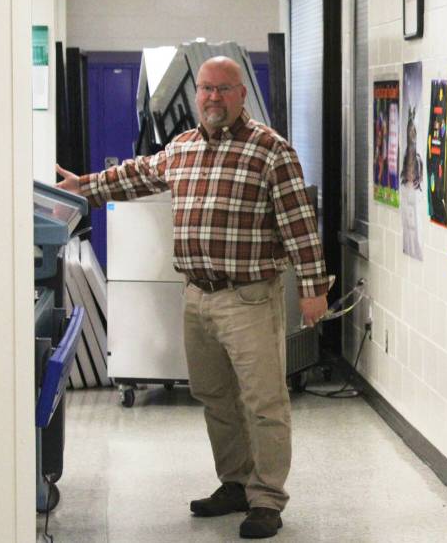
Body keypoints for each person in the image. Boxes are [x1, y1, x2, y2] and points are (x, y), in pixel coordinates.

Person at [56, 56, 329, 540]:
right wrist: (85, 188)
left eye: (224, 89)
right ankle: (235, 482)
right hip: (197, 298)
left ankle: (266, 499)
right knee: (215, 397)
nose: (212, 98)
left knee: (264, 402)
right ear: (197, 93)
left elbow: (299, 227)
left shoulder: (271, 151)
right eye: (206, 89)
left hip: (248, 299)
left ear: (242, 94)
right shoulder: (182, 148)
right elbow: (137, 174)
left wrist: (312, 289)